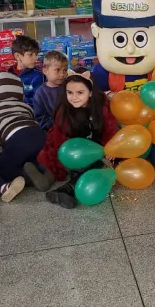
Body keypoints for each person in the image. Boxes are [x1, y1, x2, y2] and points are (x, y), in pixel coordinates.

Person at [39, 70, 118, 208]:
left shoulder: (101, 106)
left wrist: (110, 148)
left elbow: (110, 129)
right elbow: (61, 143)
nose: (74, 97)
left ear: (91, 92)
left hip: (96, 148)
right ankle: (65, 187)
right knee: (93, 165)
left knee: (106, 162)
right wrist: (62, 167)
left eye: (80, 92)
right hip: (74, 152)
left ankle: (64, 190)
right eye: (70, 92)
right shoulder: (64, 111)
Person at [0, 73, 54, 191]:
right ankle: (44, 168)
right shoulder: (26, 106)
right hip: (38, 134)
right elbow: (33, 121)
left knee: (5, 170)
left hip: (16, 138)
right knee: (33, 157)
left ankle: (27, 177)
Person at [33, 51, 69, 132]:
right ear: (45, 71)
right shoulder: (40, 93)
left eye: (65, 70)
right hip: (53, 131)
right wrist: (58, 123)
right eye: (57, 70)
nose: (62, 74)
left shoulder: (69, 86)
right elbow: (40, 118)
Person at [11, 35, 45, 106]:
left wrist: (20, 100)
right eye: (30, 55)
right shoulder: (7, 75)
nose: (35, 58)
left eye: (36, 54)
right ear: (17, 56)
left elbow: (40, 100)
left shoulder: (38, 76)